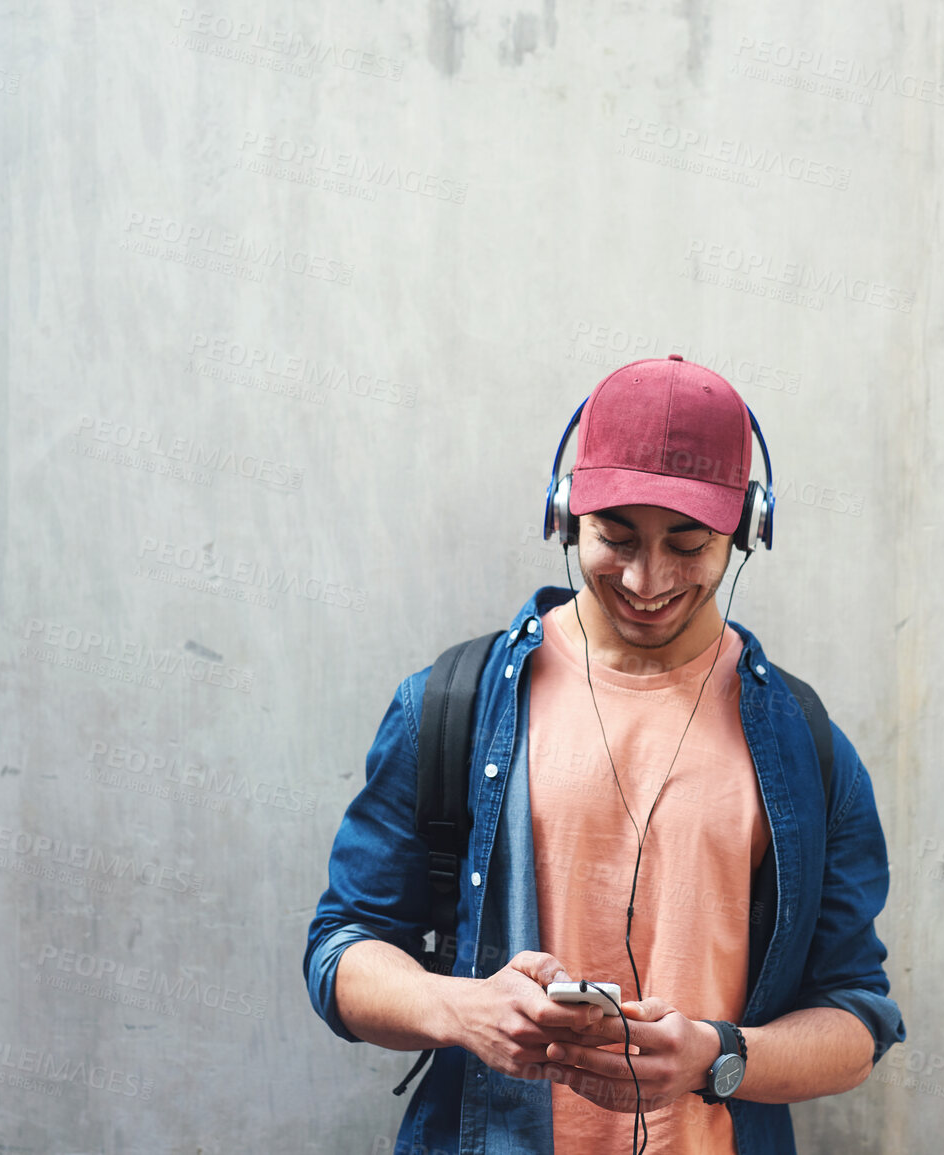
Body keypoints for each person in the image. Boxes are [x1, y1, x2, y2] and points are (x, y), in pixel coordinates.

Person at [305, 355, 904, 1154]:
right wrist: (462, 1008)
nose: (645, 578)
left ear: (748, 527)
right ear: (563, 514)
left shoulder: (806, 747)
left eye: (688, 545)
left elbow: (856, 1016)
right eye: (613, 537)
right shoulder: (452, 704)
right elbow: (342, 946)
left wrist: (717, 1055)